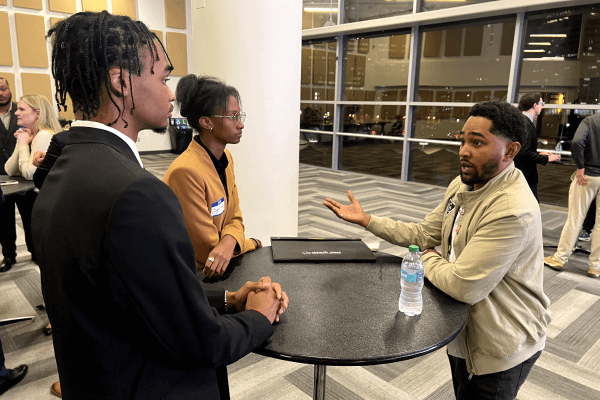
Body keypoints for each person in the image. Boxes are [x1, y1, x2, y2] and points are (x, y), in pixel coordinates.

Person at [32, 11, 288, 399]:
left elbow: (140, 290)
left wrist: (227, 298)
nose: (171, 94)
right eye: (163, 78)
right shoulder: (136, 194)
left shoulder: (65, 167)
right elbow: (203, 343)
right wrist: (259, 315)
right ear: (120, 82)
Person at [323, 101, 550, 400]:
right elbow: (424, 233)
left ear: (510, 151)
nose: (463, 150)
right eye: (464, 140)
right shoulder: (463, 185)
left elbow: (462, 285)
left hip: (503, 344)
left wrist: (426, 257)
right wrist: (368, 221)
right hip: (467, 329)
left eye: (477, 142)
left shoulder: (511, 209)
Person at [163, 75, 261, 277]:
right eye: (233, 117)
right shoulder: (186, 171)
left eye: (240, 116)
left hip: (221, 271)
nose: (240, 124)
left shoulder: (225, 158)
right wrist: (250, 243)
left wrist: (230, 240)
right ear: (207, 122)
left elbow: (235, 218)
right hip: (194, 278)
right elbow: (209, 252)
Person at [1, 94, 60, 269]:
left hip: (45, 199)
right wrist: (22, 142)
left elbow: (28, 174)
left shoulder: (43, 136)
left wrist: (23, 144)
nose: (16, 113)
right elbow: (10, 169)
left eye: (21, 109)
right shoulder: (32, 135)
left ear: (37, 114)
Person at [544, 112, 600, 278]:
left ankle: (560, 258)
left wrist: (580, 166)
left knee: (575, 218)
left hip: (587, 176)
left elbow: (577, 142)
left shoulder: (591, 120)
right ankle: (595, 267)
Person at [514, 93, 561, 201]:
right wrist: (546, 158)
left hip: (522, 174)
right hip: (524, 175)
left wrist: (539, 154)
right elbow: (523, 153)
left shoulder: (523, 121)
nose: (542, 106)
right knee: (531, 208)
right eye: (541, 103)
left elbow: (523, 149)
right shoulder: (525, 123)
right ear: (535, 105)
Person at [0, 78, 19, 270]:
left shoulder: (22, 110)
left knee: (30, 218)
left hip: (21, 173)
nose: (0, 93)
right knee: (4, 221)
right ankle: (9, 257)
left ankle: (36, 253)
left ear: (9, 89)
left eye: (3, 88)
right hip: (0, 177)